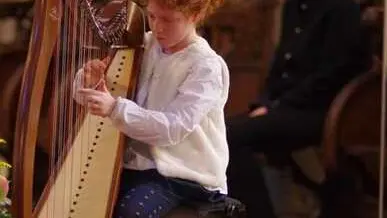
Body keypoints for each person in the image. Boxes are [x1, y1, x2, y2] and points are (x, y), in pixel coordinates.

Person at [73, 0, 230, 217]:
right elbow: (88, 99)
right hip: (136, 167)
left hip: (183, 174)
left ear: (194, 16)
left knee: (130, 212)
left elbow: (173, 129)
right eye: (152, 16)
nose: (157, 27)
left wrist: (115, 108)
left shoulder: (205, 66)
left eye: (168, 20)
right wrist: (90, 81)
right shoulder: (142, 45)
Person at [226, 0, 372, 157]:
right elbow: (280, 65)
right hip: (286, 106)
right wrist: (264, 103)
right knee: (219, 132)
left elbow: (329, 78)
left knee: (233, 135)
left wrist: (276, 106)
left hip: (322, 111)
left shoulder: (341, 8)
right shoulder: (293, 6)